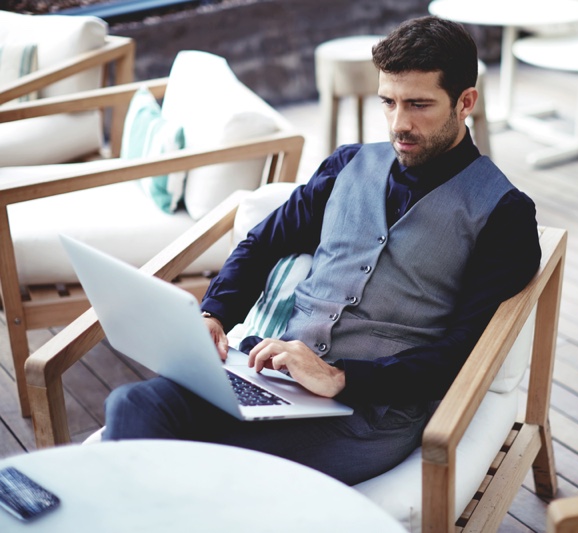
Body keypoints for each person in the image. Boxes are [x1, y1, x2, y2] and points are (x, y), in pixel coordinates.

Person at [103, 15, 542, 486]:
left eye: (419, 104)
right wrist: (214, 313)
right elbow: (263, 243)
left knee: (209, 470)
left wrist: (341, 378)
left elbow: (465, 351)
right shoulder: (347, 166)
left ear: (465, 102)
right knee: (132, 404)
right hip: (271, 382)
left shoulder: (504, 214)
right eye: (388, 103)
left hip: (366, 418)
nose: (400, 123)